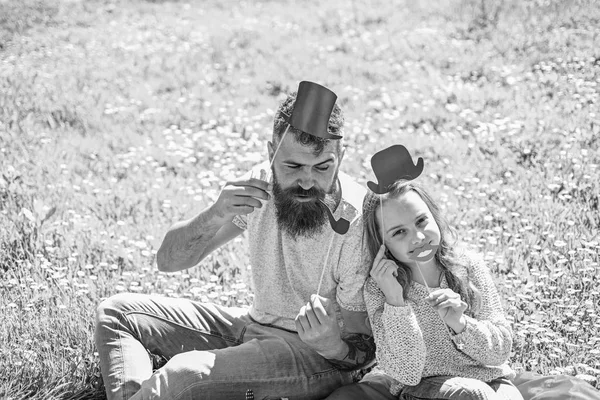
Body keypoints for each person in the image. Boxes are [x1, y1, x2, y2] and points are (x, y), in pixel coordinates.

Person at [94, 81, 375, 400]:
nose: (307, 181)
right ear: (271, 154)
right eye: (293, 166)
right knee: (118, 313)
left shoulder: (357, 222)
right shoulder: (261, 186)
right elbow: (168, 261)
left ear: (342, 155)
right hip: (251, 325)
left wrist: (331, 343)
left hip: (312, 358)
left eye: (323, 167)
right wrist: (215, 213)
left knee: (184, 375)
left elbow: (363, 354)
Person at [328, 177, 523, 400]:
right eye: (399, 232)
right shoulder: (379, 289)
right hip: (424, 388)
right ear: (382, 243)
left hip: (492, 380)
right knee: (471, 394)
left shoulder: (468, 266)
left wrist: (461, 324)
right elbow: (406, 373)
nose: (419, 237)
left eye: (421, 221)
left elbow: (500, 352)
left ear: (434, 216)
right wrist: (396, 300)